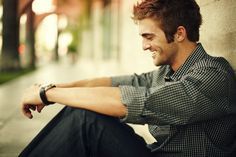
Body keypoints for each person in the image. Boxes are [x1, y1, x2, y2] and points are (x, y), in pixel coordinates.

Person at [19, 0, 236, 156]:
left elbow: (131, 102)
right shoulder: (167, 73)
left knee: (86, 120)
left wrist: (47, 94)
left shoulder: (213, 76)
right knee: (82, 110)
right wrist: (54, 89)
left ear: (179, 34)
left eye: (149, 37)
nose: (144, 46)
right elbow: (112, 83)